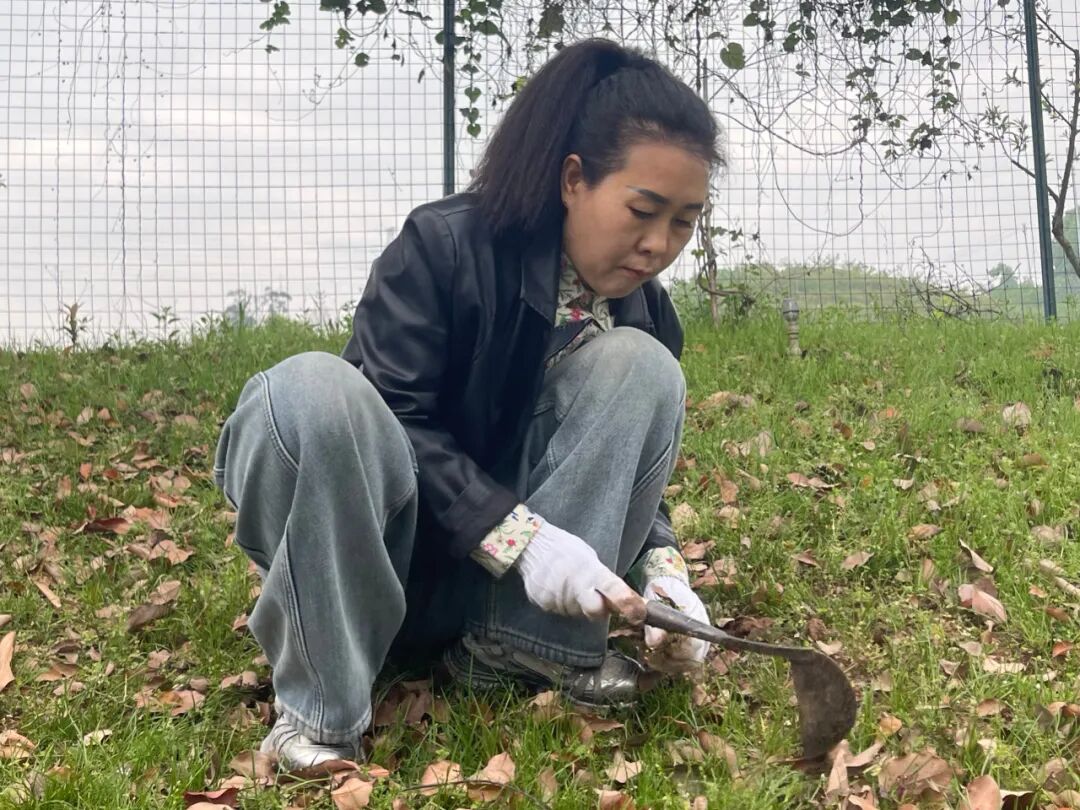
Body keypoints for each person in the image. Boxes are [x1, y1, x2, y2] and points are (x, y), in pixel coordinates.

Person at [213, 37, 725, 770]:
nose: (657, 245)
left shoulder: (646, 314)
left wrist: (665, 572)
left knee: (646, 368)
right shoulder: (444, 247)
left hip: (498, 598)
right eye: (642, 210)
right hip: (378, 565)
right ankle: (321, 712)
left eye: (683, 221)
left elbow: (630, 468)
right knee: (307, 390)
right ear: (573, 180)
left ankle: (524, 652)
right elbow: (395, 417)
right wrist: (522, 540)